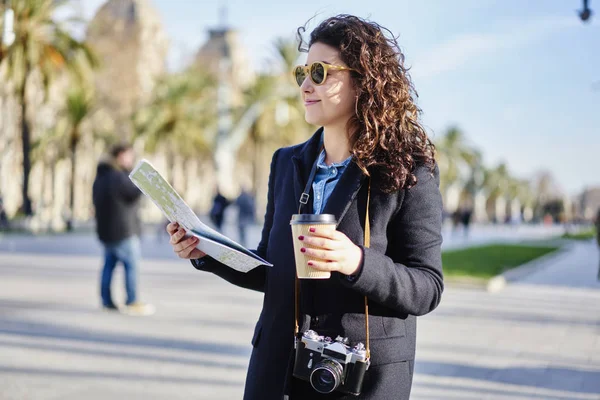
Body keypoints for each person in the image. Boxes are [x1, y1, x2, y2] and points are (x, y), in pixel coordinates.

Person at [167, 15, 443, 400]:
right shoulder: (286, 163)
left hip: (359, 376)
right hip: (278, 369)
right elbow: (270, 268)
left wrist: (357, 262)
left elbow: (427, 286)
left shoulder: (408, 170)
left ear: (364, 80)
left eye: (320, 72)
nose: (306, 86)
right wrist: (206, 252)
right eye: (302, 73)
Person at [92, 142, 155, 316]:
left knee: (109, 265)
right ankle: (132, 300)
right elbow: (134, 193)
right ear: (119, 156)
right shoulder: (118, 177)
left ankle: (106, 301)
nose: (131, 159)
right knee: (132, 264)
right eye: (129, 156)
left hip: (106, 232)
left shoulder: (101, 177)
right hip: (123, 231)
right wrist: (145, 182)